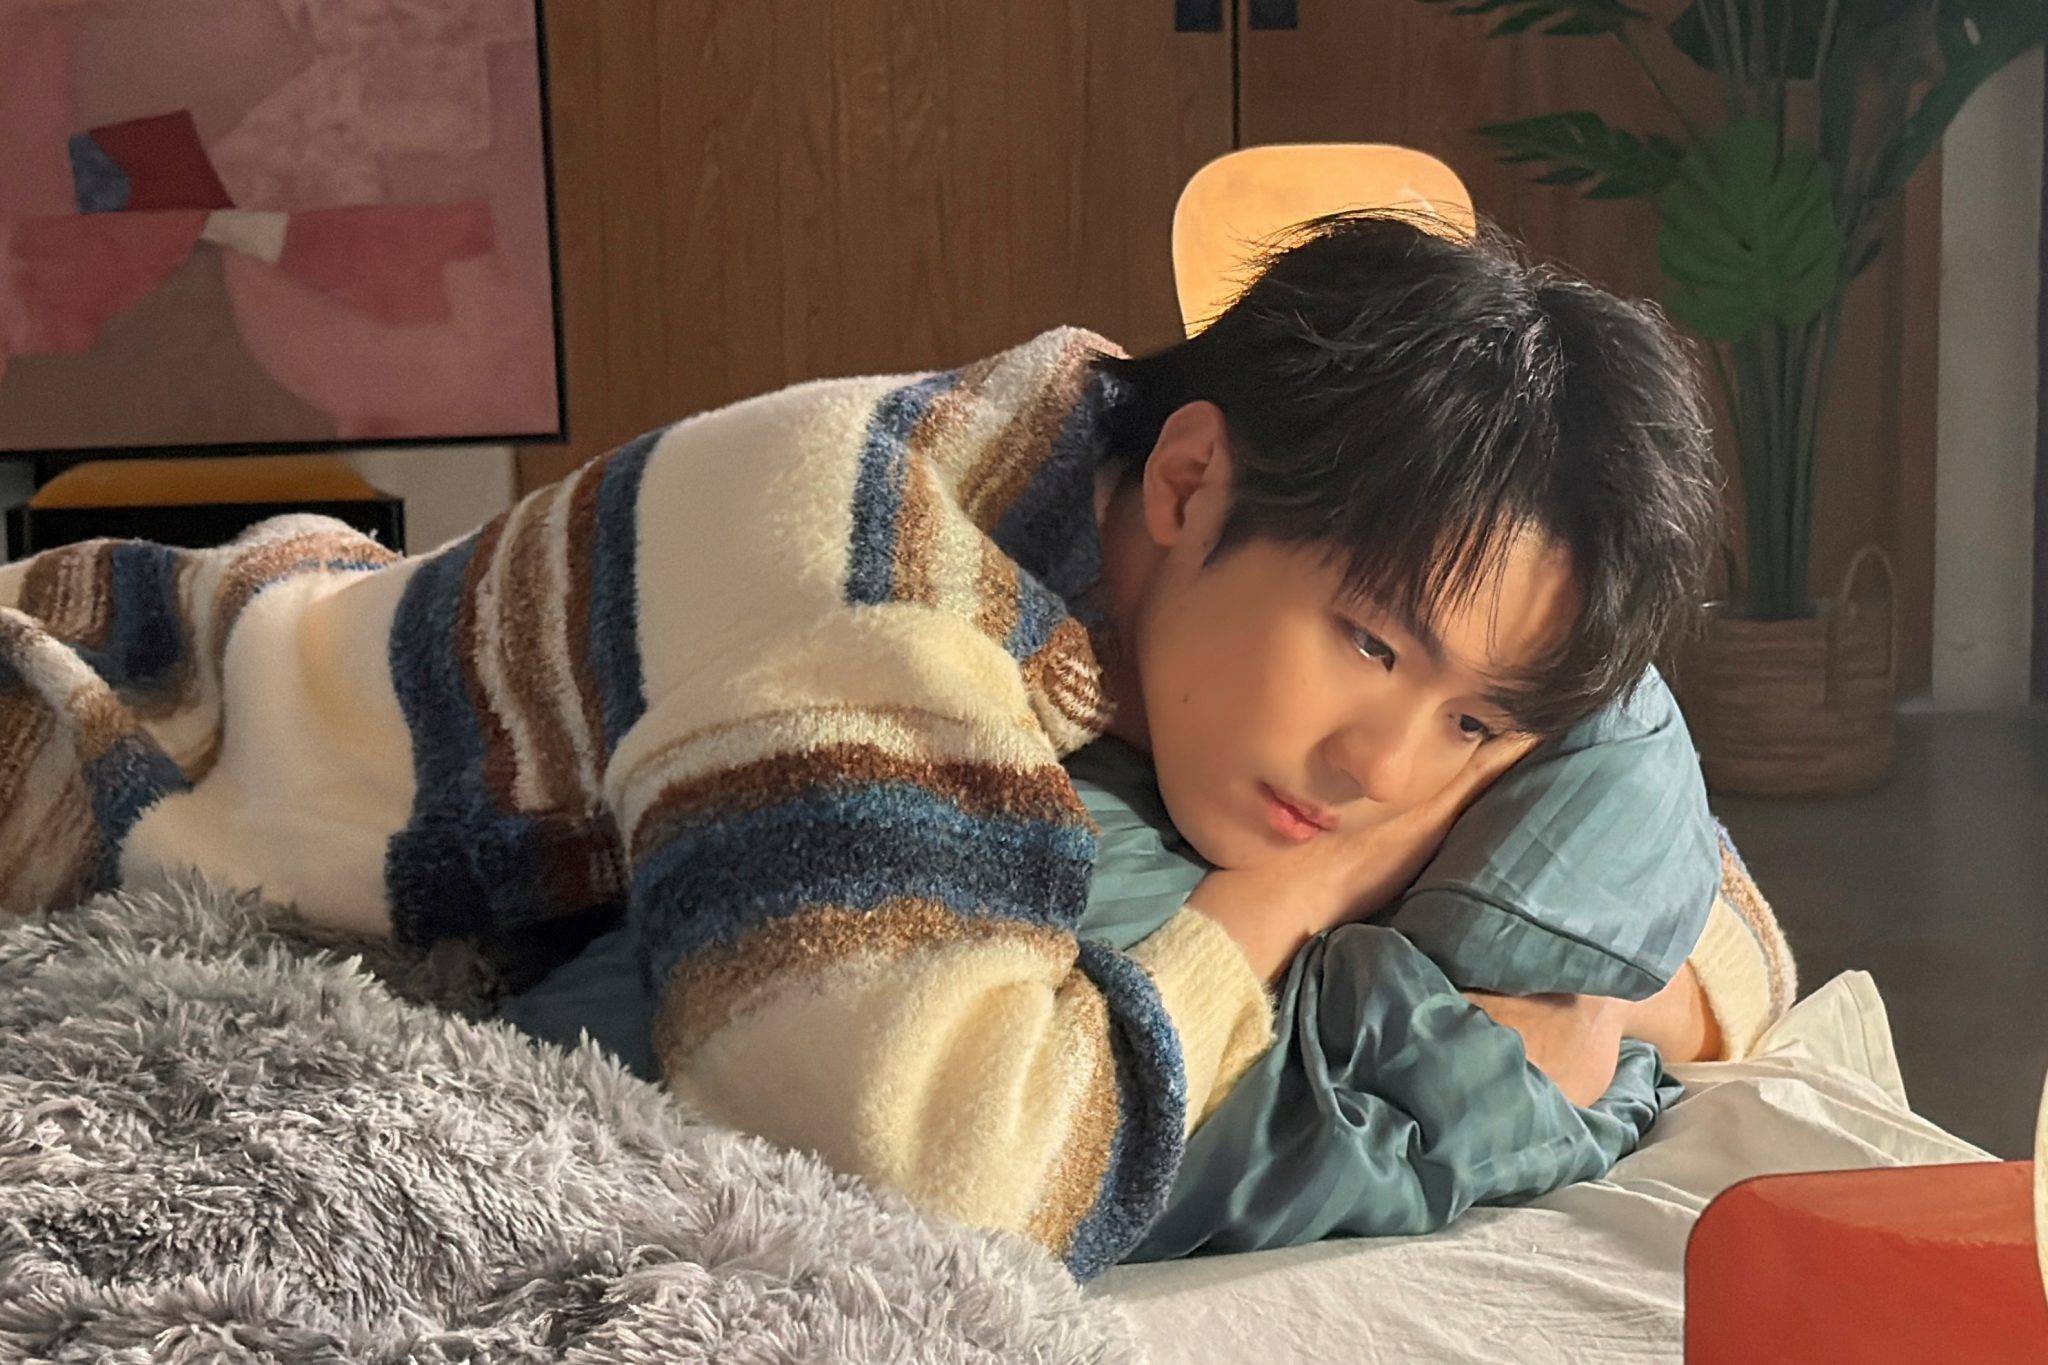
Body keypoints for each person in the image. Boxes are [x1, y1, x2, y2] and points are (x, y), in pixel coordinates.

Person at [0, 209, 1791, 1280]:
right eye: (1371, 642)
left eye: (1470, 720)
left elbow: (1717, 922)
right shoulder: (890, 601)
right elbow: (941, 1174)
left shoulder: (1149, 489)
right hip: (102, 727)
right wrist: (1284, 899)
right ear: (1187, 483)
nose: (1384, 766)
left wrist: (1644, 992)